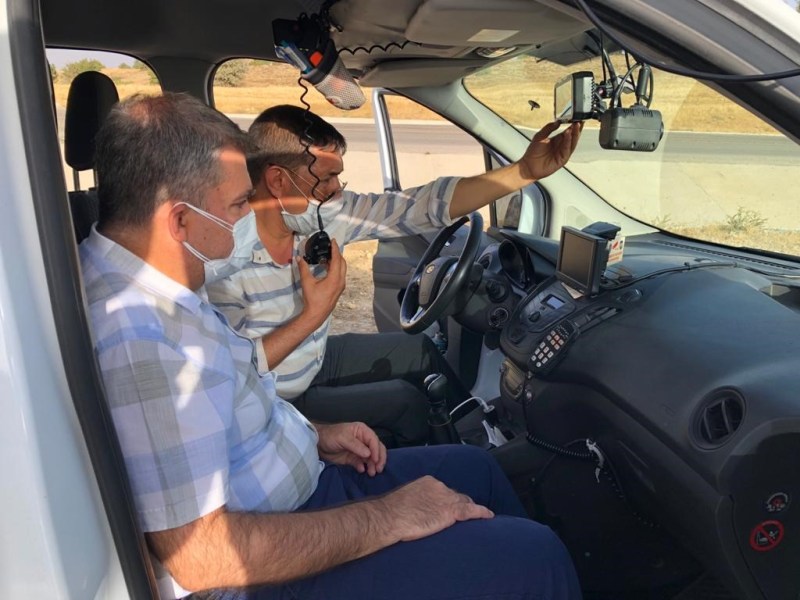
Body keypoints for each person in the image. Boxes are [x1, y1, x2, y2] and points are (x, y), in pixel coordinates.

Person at [79, 92, 582, 600]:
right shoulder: (142, 337)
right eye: (236, 205)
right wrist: (388, 516)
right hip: (271, 563)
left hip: (302, 477)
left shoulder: (165, 284)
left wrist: (313, 435)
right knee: (535, 554)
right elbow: (203, 557)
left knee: (477, 469)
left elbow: (235, 392)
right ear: (179, 221)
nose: (244, 220)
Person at [207, 105, 583, 447]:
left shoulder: (324, 217)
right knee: (406, 403)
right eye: (325, 178)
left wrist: (524, 171)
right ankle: (452, 464)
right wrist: (313, 314)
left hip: (312, 359)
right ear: (277, 181)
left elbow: (418, 206)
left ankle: (478, 437)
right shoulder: (226, 260)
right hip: (275, 396)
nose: (336, 190)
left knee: (419, 349)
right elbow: (234, 373)